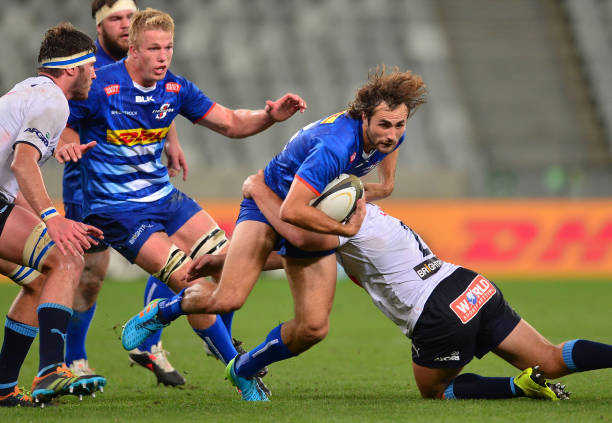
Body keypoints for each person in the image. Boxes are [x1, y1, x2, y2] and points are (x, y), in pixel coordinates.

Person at [121, 66, 427, 401]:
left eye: (399, 125)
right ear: (364, 116)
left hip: (306, 207)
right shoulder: (335, 147)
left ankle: (243, 366)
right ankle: (164, 310)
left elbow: (383, 183)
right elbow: (292, 212)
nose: (391, 135)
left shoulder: (390, 134)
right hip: (269, 203)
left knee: (313, 329)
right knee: (227, 299)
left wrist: (372, 190)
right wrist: (344, 226)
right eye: (384, 125)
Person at [190, 170, 612, 401]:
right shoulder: (363, 214)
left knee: (437, 390)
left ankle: (515, 388)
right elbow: (289, 255)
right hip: (470, 285)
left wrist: (257, 189)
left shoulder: (333, 225)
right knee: (552, 357)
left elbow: (296, 239)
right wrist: (224, 261)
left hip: (437, 312)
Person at [66, 8, 306, 400]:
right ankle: (242, 373)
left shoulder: (176, 89)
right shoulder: (99, 84)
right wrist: (64, 142)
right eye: (154, 48)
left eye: (169, 48)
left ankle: (157, 315)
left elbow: (229, 122)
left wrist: (269, 116)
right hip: (118, 210)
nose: (163, 56)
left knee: (233, 261)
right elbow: (65, 117)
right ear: (133, 48)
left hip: (167, 199)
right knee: (191, 282)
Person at [54, 0, 188, 386]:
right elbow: (64, 115)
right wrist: (68, 142)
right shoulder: (86, 68)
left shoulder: (150, 52)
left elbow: (162, 97)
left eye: (130, 16)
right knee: (91, 275)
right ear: (99, 26)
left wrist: (172, 139)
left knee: (174, 250)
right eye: (116, 19)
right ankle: (74, 358)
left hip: (144, 186)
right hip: (91, 190)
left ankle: (150, 339)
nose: (126, 24)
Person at [0, 22, 106, 406]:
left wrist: (52, 218)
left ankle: (4, 388)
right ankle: (50, 369)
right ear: (73, 68)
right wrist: (52, 217)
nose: (96, 73)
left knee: (36, 281)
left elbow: (12, 182)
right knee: (66, 258)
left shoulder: (27, 91)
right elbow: (22, 164)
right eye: (92, 65)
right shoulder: (54, 101)